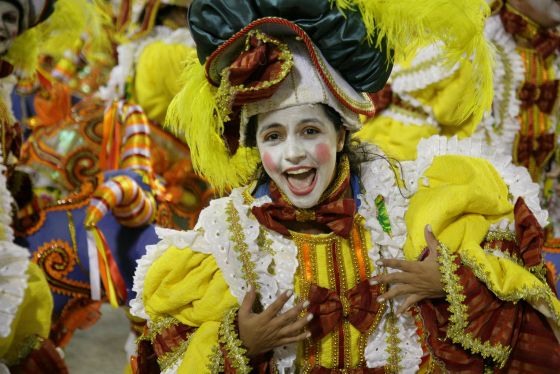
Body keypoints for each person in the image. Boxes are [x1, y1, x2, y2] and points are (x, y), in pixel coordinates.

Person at [131, 0, 560, 372]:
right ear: (255, 147)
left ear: (340, 135)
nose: (293, 153)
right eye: (273, 136)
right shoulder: (227, 241)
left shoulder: (414, 201)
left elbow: (526, 312)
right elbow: (171, 355)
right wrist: (241, 344)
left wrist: (450, 283)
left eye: (311, 131)